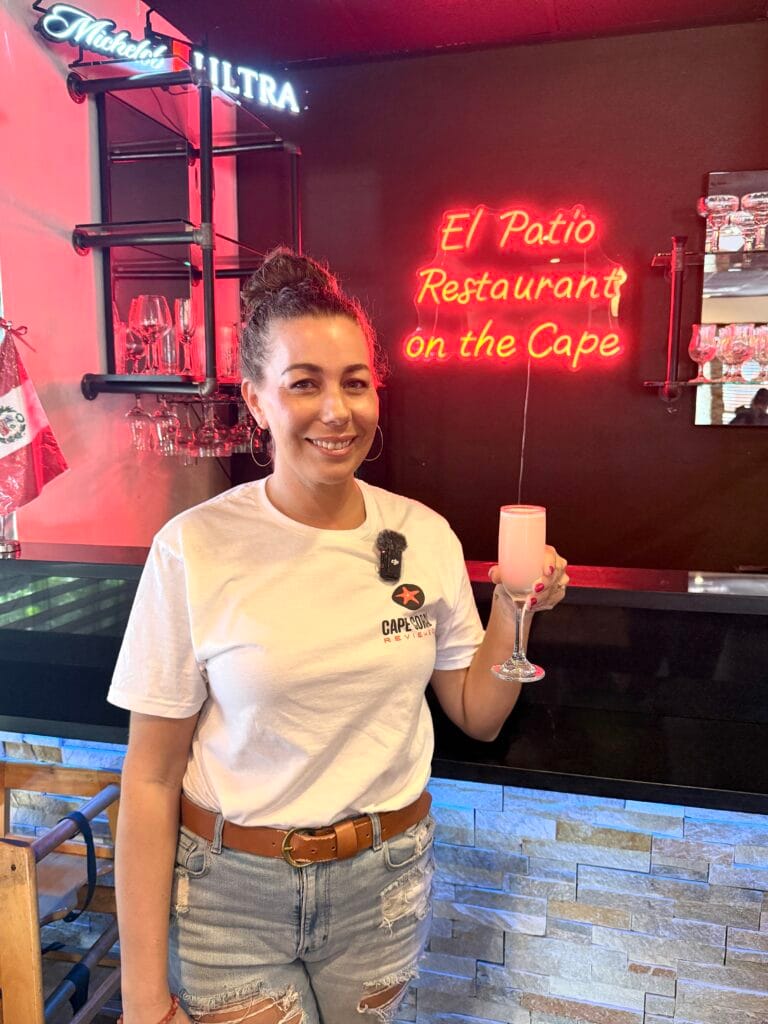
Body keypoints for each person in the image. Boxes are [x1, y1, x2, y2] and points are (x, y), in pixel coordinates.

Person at [107, 249, 568, 1024]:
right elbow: (150, 779)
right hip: (231, 891)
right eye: (304, 383)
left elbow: (477, 713)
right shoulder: (194, 547)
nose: (337, 410)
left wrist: (515, 611)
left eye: (356, 382)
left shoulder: (422, 535)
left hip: (381, 883)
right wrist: (143, 1000)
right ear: (256, 399)